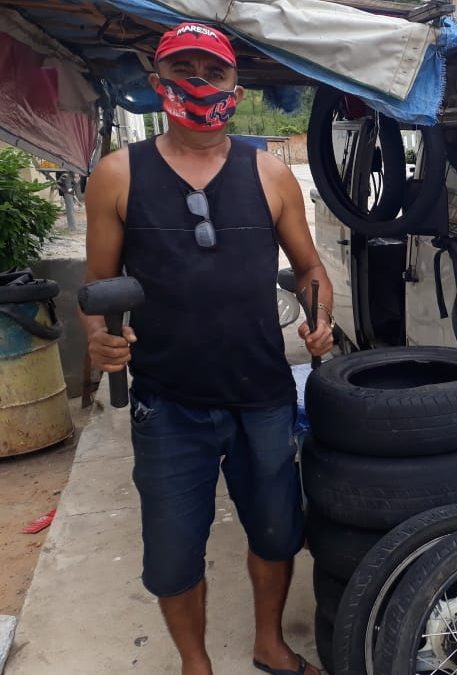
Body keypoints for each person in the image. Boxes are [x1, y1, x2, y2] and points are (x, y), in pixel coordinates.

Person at [82, 22, 330, 675]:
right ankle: (196, 663)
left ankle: (269, 642)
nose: (198, 83)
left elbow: (309, 269)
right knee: (172, 554)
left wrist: (319, 318)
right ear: (160, 83)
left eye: (212, 72)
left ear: (234, 85)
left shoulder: (272, 173)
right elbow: (99, 288)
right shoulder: (116, 176)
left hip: (263, 396)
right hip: (167, 404)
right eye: (183, 70)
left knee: (277, 532)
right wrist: (100, 343)